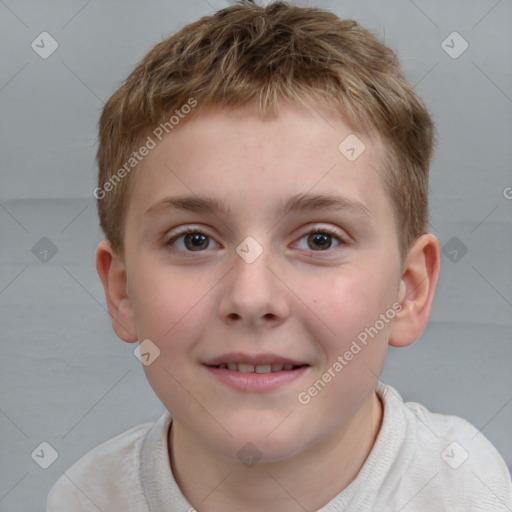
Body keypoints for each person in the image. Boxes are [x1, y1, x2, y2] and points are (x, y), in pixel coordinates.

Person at [47, 1, 512, 510]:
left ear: (408, 291)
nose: (251, 297)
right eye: (194, 240)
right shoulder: (86, 498)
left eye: (319, 240)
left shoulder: (467, 489)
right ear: (122, 292)